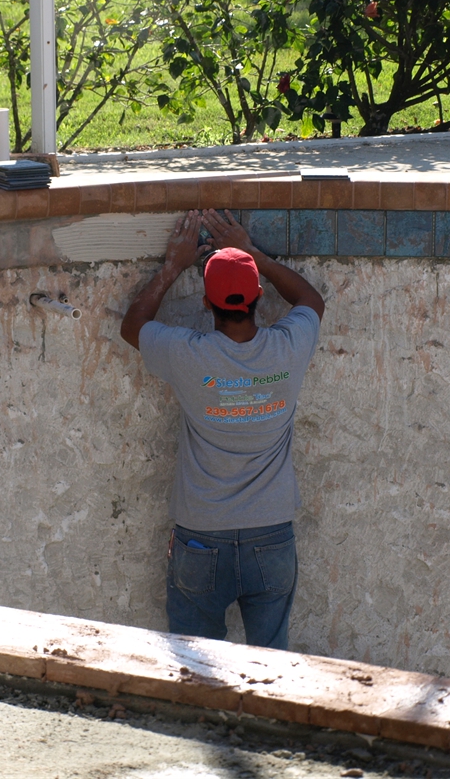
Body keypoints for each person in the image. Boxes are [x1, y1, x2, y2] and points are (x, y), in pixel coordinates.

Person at [121, 208, 324, 650]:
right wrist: (256, 256)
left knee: (195, 670)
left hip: (201, 538)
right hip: (272, 538)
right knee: (271, 670)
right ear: (258, 296)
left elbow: (133, 326)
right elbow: (311, 301)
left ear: (206, 303)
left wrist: (173, 266)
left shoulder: (187, 355)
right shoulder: (288, 347)